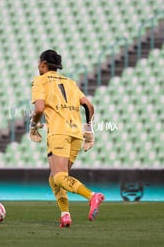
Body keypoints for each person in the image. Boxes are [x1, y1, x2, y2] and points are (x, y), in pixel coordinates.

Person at [30, 49, 104, 228]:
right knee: (54, 177)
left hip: (59, 134)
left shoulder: (39, 81)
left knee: (59, 176)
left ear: (43, 64)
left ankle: (92, 196)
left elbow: (39, 109)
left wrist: (33, 126)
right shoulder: (70, 82)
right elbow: (88, 105)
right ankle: (65, 215)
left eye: (39, 62)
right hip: (76, 134)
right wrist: (89, 130)